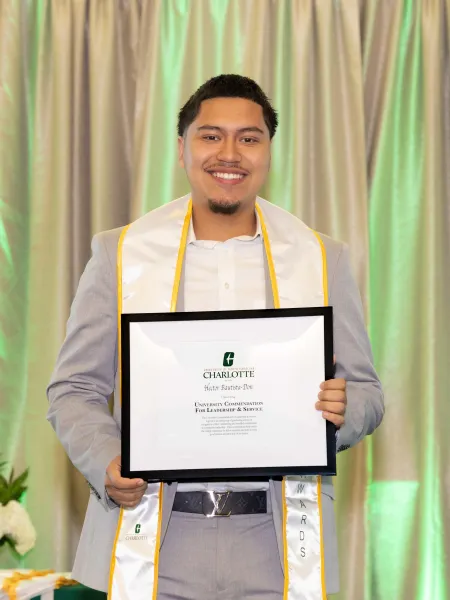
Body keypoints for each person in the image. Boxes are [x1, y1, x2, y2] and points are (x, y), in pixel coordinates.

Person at [47, 74, 384, 599]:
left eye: (249, 138)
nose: (230, 153)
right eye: (210, 136)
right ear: (182, 149)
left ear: (268, 152)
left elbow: (366, 391)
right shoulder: (121, 254)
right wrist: (107, 460)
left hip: (273, 542)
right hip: (156, 536)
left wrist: (344, 411)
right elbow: (73, 390)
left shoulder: (322, 258)